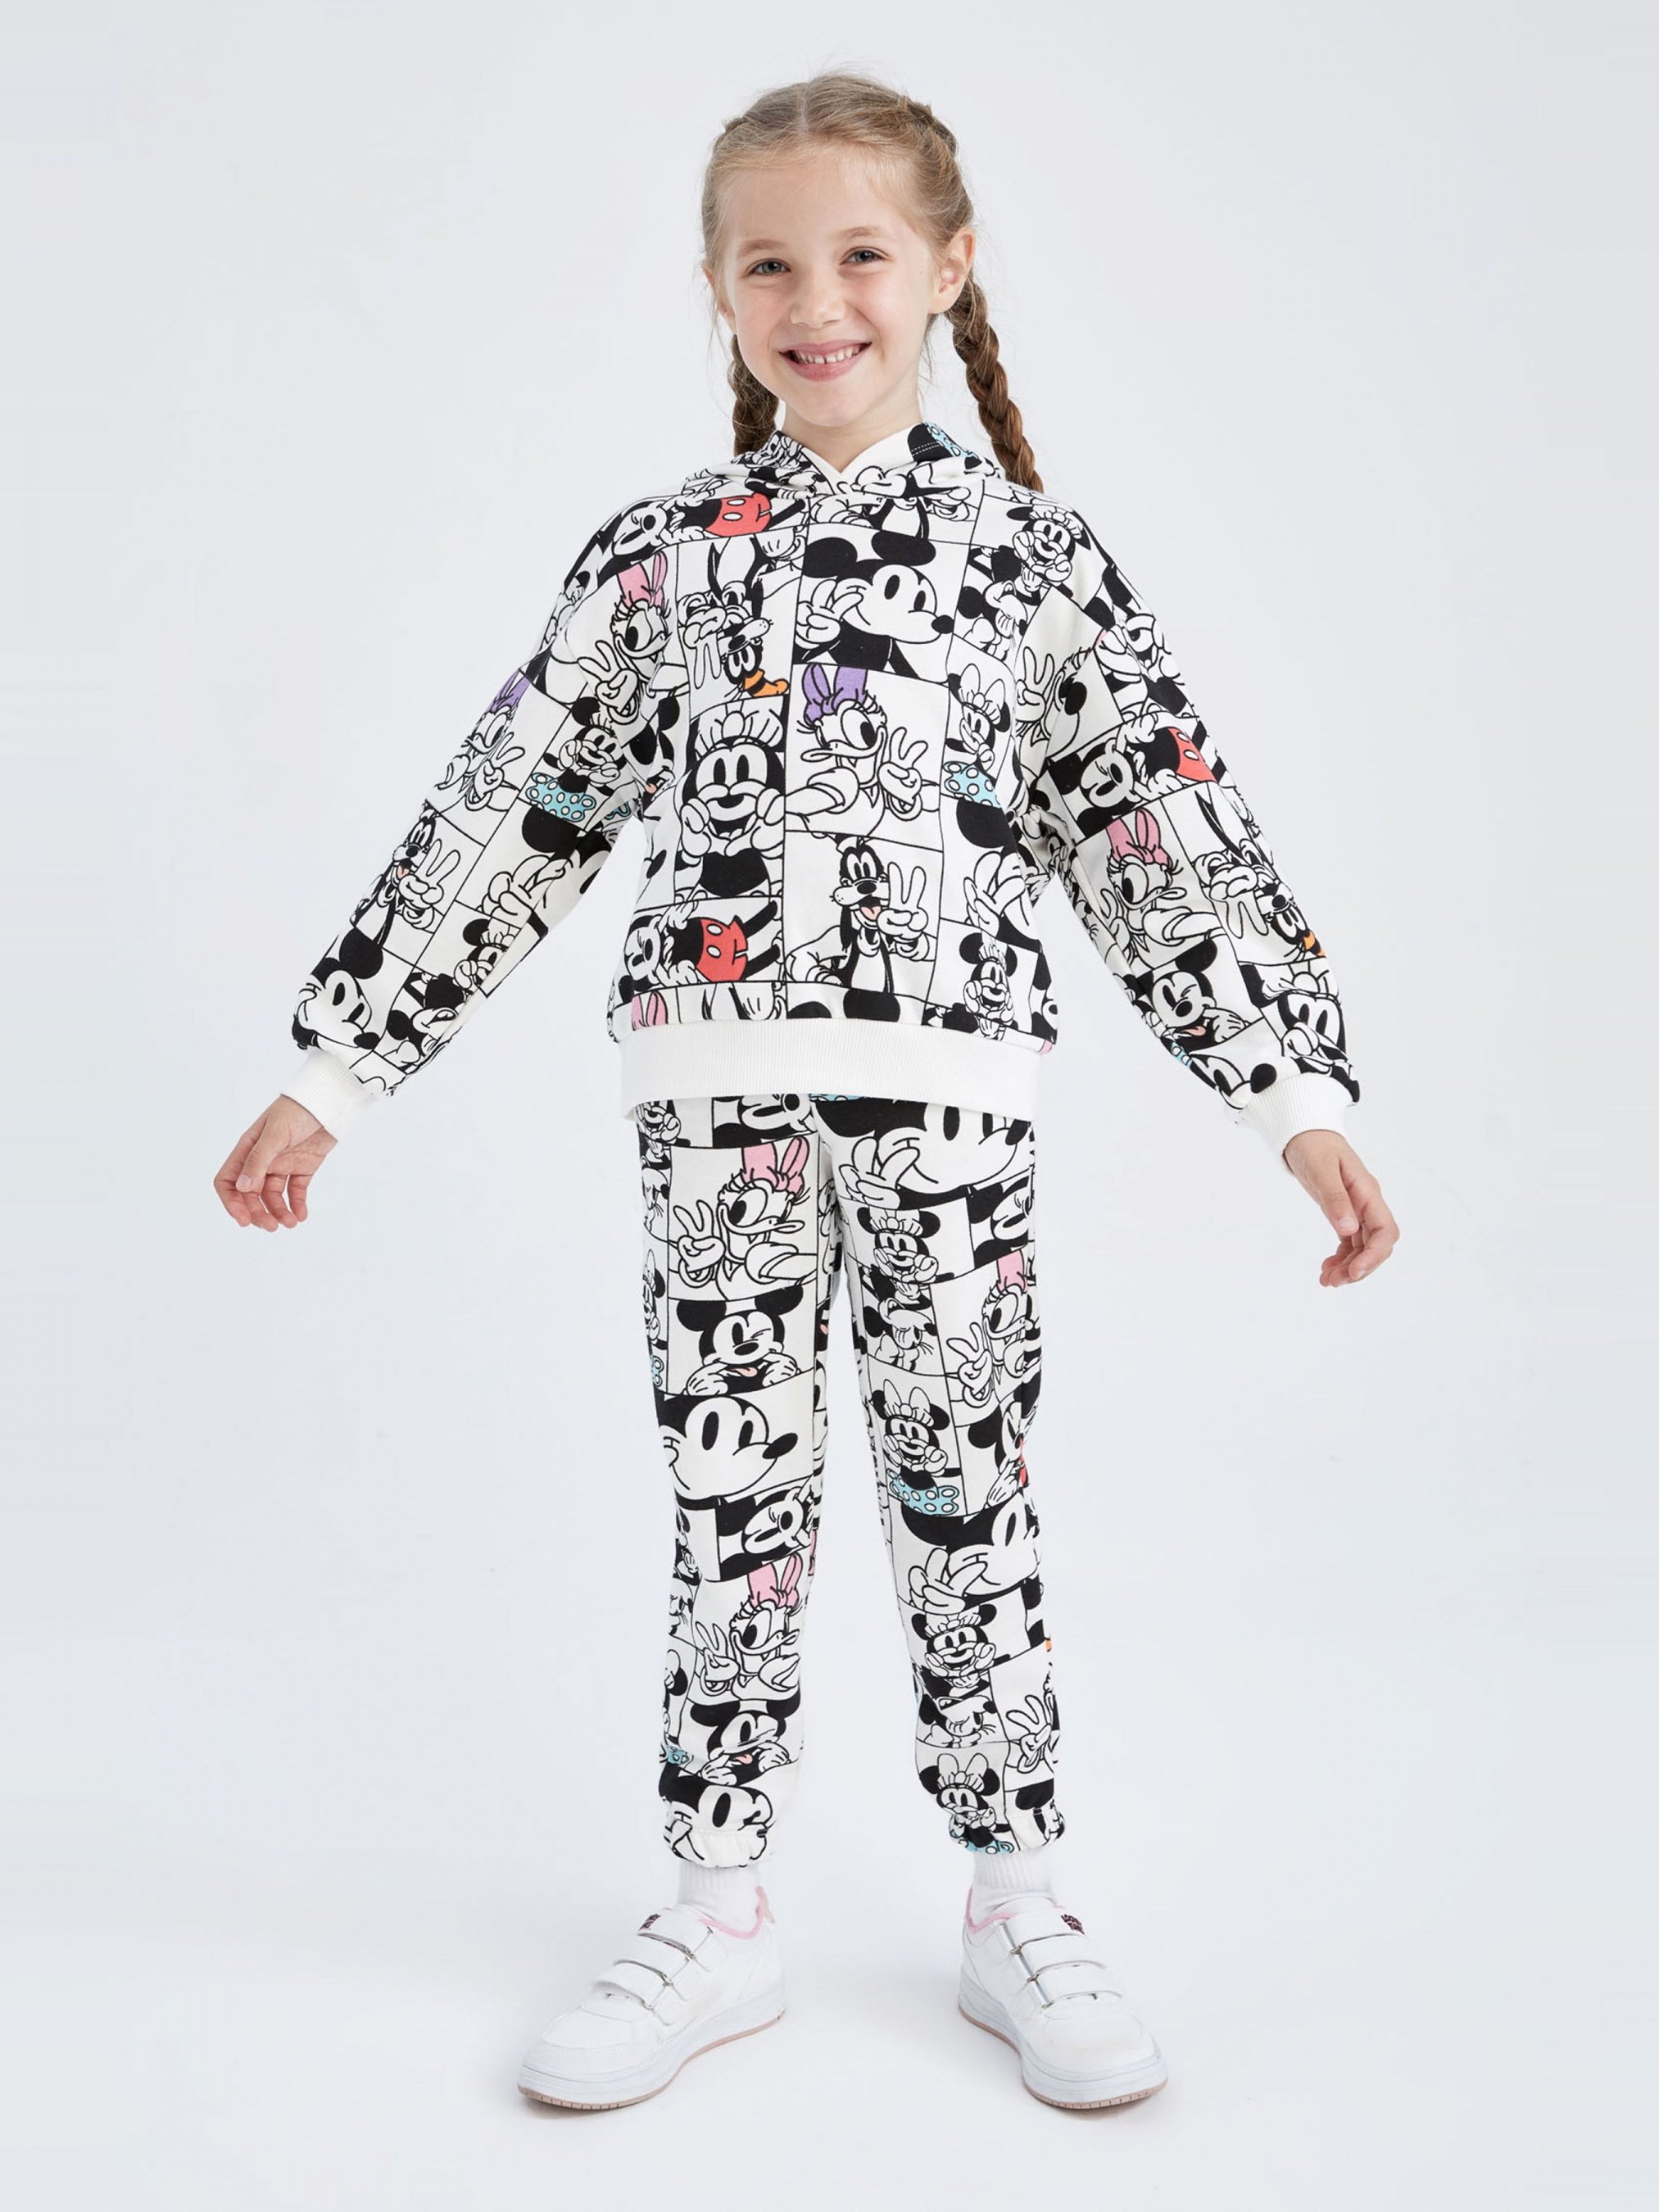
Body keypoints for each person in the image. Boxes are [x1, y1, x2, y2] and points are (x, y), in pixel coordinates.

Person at [214, 70, 1398, 2115]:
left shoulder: (1033, 562)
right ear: (717, 291)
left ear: (946, 268)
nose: (815, 300)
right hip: (709, 1107)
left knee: (967, 1491)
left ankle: (1015, 1896)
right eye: (767, 263)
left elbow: (1157, 832)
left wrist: (1292, 1097)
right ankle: (718, 1905)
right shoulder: (659, 559)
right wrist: (339, 1068)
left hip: (951, 1108)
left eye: (859, 254)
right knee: (729, 1500)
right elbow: (513, 806)